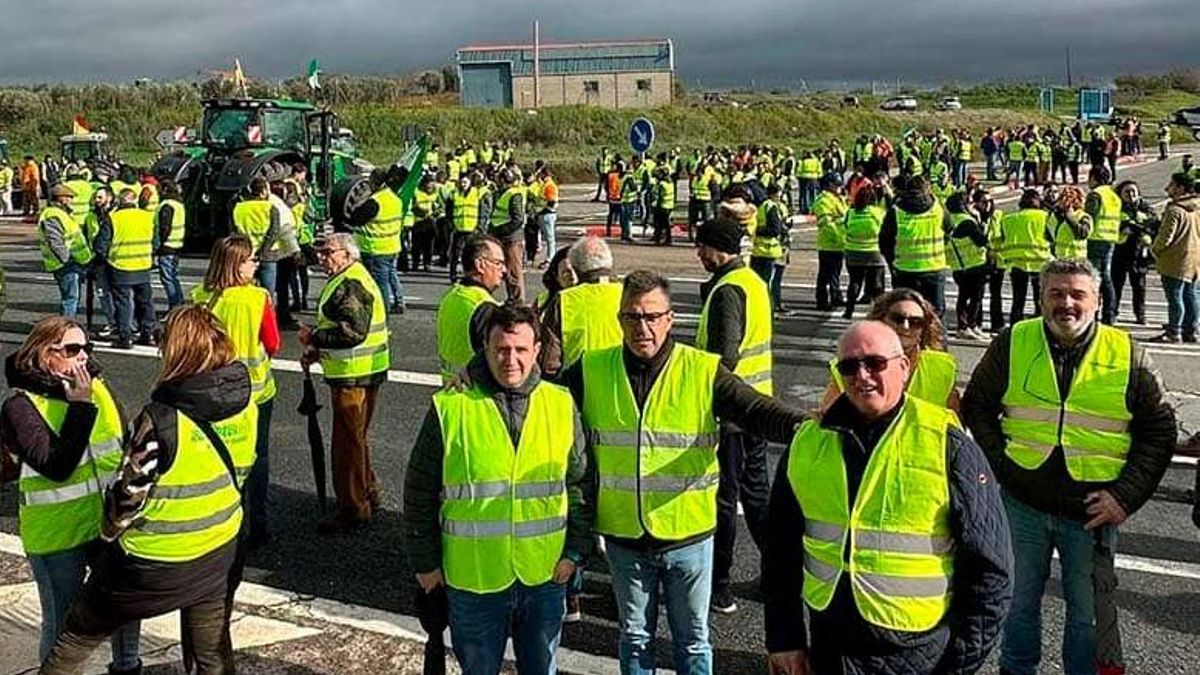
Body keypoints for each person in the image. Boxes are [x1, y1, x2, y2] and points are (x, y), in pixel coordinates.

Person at [554, 270, 807, 675]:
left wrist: (808, 427)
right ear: (620, 319)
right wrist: (475, 376)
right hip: (624, 537)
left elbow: (757, 410)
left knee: (692, 642)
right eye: (633, 317)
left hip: (688, 538)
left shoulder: (703, 371)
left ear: (670, 319)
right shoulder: (591, 370)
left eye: (653, 316)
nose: (643, 327)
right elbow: (540, 396)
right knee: (635, 639)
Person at [961, 258, 1176, 675]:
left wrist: (1124, 497)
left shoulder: (1127, 352)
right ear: (1041, 298)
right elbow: (978, 407)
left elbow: (1160, 431)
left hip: (1092, 513)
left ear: (1097, 300)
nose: (1067, 303)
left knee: (1087, 616)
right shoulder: (1013, 341)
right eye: (1056, 293)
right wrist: (1003, 467)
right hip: (1022, 504)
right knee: (1018, 604)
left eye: (1078, 294)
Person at [765, 320, 1011, 675]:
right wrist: (784, 638)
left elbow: (990, 569)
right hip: (831, 645)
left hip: (917, 652)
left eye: (875, 363)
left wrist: (959, 665)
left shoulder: (947, 443)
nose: (862, 376)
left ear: (904, 367)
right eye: (848, 367)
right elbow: (780, 548)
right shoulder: (808, 441)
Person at [39, 305, 258, 675]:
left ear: (177, 351)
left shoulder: (161, 418)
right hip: (219, 547)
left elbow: (127, 499)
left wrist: (107, 536)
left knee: (78, 635)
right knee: (212, 655)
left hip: (154, 562)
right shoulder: (246, 402)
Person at [403, 304, 593, 675]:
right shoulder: (450, 406)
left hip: (544, 575)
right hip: (473, 579)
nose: (511, 359)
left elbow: (580, 484)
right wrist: (425, 565)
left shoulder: (560, 403)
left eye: (521, 350)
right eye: (501, 349)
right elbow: (419, 491)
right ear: (484, 350)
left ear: (537, 350)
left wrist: (576, 552)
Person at [1, 317, 143, 674]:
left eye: (87, 348)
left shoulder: (99, 387)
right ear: (44, 353)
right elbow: (55, 465)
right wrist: (80, 406)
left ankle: (127, 667)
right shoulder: (21, 404)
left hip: (105, 523)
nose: (84, 358)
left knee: (123, 604)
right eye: (72, 349)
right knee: (64, 623)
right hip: (57, 533)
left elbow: (123, 444)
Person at [693, 218, 774, 615]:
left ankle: (718, 584)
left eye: (702, 247)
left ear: (716, 247)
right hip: (756, 406)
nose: (698, 254)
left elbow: (725, 355)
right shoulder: (753, 281)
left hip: (732, 415)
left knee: (723, 499)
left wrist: (692, 368)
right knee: (757, 497)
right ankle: (778, 573)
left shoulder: (727, 291)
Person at [191, 235, 280, 549]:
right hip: (254, 392)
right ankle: (257, 524)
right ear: (236, 265)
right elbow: (273, 344)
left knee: (216, 454)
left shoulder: (200, 297)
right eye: (251, 259)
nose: (256, 264)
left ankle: (219, 518)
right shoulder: (257, 298)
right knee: (257, 457)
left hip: (209, 392)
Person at [299, 233, 390, 533]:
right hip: (362, 369)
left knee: (346, 443)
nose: (322, 260)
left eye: (328, 254)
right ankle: (367, 492)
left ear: (347, 254)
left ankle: (352, 506)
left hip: (353, 374)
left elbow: (352, 332)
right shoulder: (352, 277)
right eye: (321, 254)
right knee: (357, 437)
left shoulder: (350, 282)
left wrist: (314, 338)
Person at [821, 288, 961, 411]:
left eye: (915, 322)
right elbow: (827, 417)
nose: (906, 327)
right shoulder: (848, 365)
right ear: (880, 320)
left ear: (924, 329)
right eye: (898, 319)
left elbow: (954, 423)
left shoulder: (942, 368)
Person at [538, 235, 622, 379]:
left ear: (577, 270)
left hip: (578, 385)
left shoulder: (564, 300)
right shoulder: (628, 294)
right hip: (621, 380)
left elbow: (549, 362)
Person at [94, 189, 159, 350]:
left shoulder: (114, 218)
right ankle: (148, 334)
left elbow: (101, 245)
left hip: (120, 267)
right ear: (135, 200)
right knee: (145, 302)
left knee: (123, 303)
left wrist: (104, 259)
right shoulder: (147, 217)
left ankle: (125, 337)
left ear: (119, 201)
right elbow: (156, 243)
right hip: (143, 265)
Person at [436, 234, 503, 382]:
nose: (503, 270)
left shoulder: (452, 296)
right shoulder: (483, 307)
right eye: (498, 263)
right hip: (477, 394)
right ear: (480, 265)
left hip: (450, 390)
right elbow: (496, 364)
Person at [881, 175, 949, 315]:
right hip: (934, 267)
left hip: (905, 269)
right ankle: (932, 337)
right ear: (927, 189)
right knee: (935, 314)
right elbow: (949, 230)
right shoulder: (938, 208)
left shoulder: (896, 211)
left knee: (904, 313)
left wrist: (892, 260)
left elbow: (885, 241)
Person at [1150, 172, 1200, 343]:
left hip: (1174, 260)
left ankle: (1174, 331)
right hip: (1194, 258)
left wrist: (1154, 250)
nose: (1167, 188)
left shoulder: (1175, 210)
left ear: (1180, 188)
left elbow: (1165, 237)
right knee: (1191, 294)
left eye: (1171, 185)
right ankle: (1191, 329)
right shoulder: (1197, 207)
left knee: (1175, 297)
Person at [349, 169, 405, 313]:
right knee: (386, 281)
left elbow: (354, 218)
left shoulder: (375, 202)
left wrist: (362, 199)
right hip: (392, 248)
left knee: (379, 286)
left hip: (375, 250)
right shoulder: (395, 199)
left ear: (374, 182)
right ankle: (392, 306)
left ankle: (381, 314)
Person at [38, 184, 92, 318]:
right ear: (61, 198)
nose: (71, 201)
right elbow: (55, 241)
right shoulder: (53, 215)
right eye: (69, 197)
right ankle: (66, 327)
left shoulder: (61, 214)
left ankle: (68, 324)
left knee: (72, 298)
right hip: (66, 264)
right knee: (70, 298)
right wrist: (66, 259)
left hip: (72, 261)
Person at [1000, 190, 1052, 325]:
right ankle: (1039, 328)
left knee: (1018, 301)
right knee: (1039, 300)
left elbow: (1003, 238)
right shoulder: (1045, 217)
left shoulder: (1008, 219)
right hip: (1039, 262)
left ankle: (1015, 328)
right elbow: (1052, 238)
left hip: (1017, 263)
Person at [1112, 180, 1157, 325]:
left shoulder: (1146, 208)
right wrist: (1122, 228)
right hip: (1119, 251)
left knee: (1139, 286)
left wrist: (1141, 228)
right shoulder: (1115, 208)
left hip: (1139, 253)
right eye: (1127, 192)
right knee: (1116, 284)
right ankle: (1113, 312)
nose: (1131, 195)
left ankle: (1140, 314)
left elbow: (1154, 226)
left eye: (1133, 192)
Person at [946, 192, 990, 340]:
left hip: (957, 265)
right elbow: (982, 241)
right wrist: (982, 223)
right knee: (976, 297)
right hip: (974, 264)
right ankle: (970, 325)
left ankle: (963, 326)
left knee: (963, 296)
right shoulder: (967, 221)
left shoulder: (948, 221)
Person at [842, 183, 888, 319]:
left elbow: (845, 226)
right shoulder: (878, 212)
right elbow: (885, 230)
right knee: (877, 285)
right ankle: (879, 313)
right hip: (874, 251)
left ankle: (849, 310)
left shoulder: (851, 212)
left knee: (855, 281)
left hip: (853, 250)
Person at [232, 176, 281, 301]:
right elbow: (274, 231)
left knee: (244, 292)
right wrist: (263, 251)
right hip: (268, 255)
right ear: (264, 191)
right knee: (267, 295)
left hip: (245, 255)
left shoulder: (239, 208)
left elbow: (233, 232)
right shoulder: (271, 208)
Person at [1085, 166, 1122, 325]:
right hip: (1111, 238)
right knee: (1106, 277)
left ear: (1094, 178)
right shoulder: (1114, 195)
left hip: (1096, 238)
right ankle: (1110, 313)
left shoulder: (1096, 194)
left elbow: (1089, 216)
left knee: (1095, 277)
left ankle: (1095, 312)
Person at [490, 169, 528, 302]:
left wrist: (501, 230)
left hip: (511, 238)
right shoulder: (503, 193)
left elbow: (518, 219)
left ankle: (517, 300)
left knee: (513, 271)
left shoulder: (513, 194)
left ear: (502, 180)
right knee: (508, 270)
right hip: (503, 236)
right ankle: (512, 298)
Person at [749, 183, 788, 312]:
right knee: (768, 282)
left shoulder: (757, 207)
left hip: (758, 250)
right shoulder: (769, 206)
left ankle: (764, 305)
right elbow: (775, 229)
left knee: (759, 281)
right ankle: (769, 307)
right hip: (770, 250)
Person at [812, 174, 848, 311]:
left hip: (839, 243)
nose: (839, 187)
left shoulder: (838, 199)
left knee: (835, 273)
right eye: (836, 185)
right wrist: (839, 237)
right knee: (825, 274)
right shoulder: (823, 201)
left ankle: (836, 296)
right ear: (828, 185)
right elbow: (827, 224)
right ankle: (821, 300)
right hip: (829, 243)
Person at [154, 180, 187, 309]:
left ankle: (175, 306)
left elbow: (164, 227)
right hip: (176, 243)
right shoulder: (178, 203)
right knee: (173, 277)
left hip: (167, 246)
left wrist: (158, 245)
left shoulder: (167, 205)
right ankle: (178, 303)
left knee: (168, 279)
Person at [652, 165, 676, 245]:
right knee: (667, 225)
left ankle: (658, 238)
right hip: (669, 205)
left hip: (662, 206)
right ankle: (668, 239)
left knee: (659, 224)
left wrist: (656, 206)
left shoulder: (662, 184)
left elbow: (660, 196)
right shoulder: (671, 182)